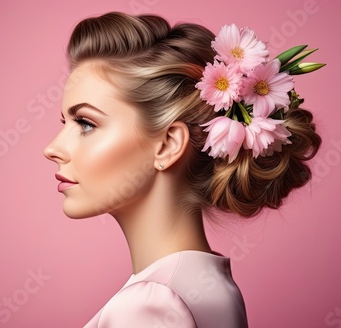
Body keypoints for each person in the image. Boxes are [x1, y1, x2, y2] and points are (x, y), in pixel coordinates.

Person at [44, 11, 321, 328]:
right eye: (65, 123)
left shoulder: (146, 308)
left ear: (167, 145)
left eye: (86, 123)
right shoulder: (210, 288)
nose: (52, 148)